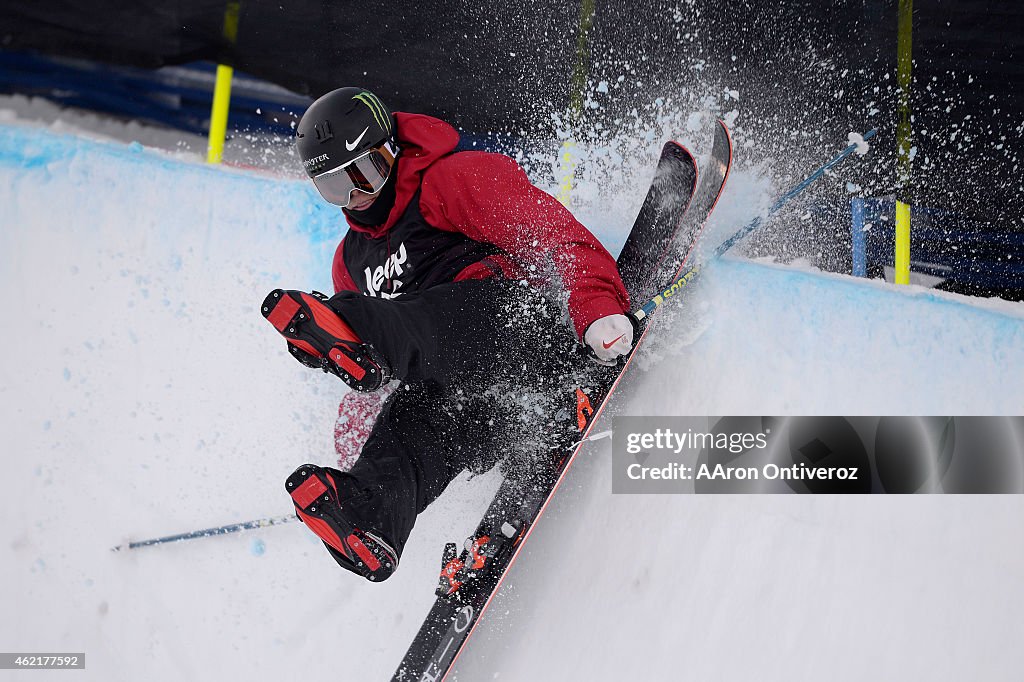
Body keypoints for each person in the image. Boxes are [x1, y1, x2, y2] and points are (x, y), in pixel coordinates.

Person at [262, 87, 635, 581]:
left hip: (528, 339)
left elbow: (550, 230)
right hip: (484, 406)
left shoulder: (453, 179)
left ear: (390, 151)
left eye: (366, 173)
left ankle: (360, 327)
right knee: (414, 418)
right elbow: (368, 372)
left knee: (429, 318)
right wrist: (358, 447)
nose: (358, 196)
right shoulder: (350, 262)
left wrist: (596, 309)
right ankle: (371, 513)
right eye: (337, 188)